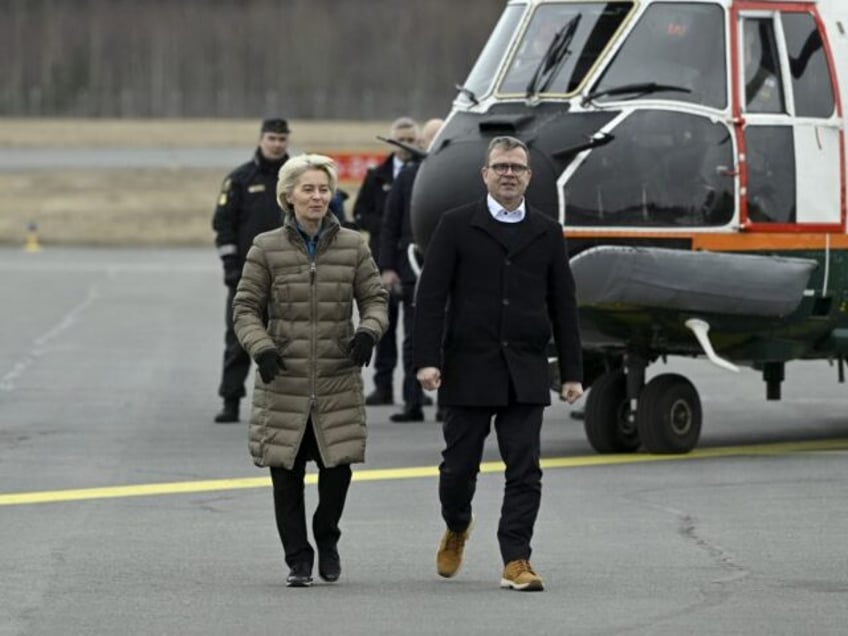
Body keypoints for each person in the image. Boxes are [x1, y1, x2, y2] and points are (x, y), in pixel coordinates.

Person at [414, 136, 584, 592]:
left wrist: (571, 370)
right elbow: (429, 298)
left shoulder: (548, 231)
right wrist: (426, 360)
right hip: (468, 367)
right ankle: (457, 525)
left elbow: (563, 304)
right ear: (485, 174)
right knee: (457, 470)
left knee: (524, 469)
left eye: (517, 168)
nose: (509, 174)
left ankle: (517, 558)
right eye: (500, 167)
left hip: (524, 369)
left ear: (528, 177)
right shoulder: (455, 226)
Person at [232, 154, 388, 587]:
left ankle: (327, 534)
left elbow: (375, 298)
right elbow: (245, 308)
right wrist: (261, 347)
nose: (318, 197)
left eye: (324, 189)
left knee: (337, 470)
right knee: (286, 476)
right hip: (282, 377)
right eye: (308, 189)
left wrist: (369, 332)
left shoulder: (354, 245)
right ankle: (298, 559)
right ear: (288, 196)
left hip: (338, 375)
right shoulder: (266, 247)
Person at [211, 117, 293, 423]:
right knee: (238, 339)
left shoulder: (296, 178)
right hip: (248, 276)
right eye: (272, 138)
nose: (277, 144)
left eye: (282, 139)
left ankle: (282, 405)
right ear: (261, 139)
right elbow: (222, 224)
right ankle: (230, 400)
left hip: (290, 275)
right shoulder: (241, 179)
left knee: (286, 341)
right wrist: (231, 265)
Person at [379, 118, 444, 422]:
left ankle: (447, 403)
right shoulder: (406, 178)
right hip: (410, 268)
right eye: (426, 140)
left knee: (450, 337)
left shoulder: (455, 175)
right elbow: (389, 226)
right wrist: (387, 267)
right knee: (412, 338)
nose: (429, 145)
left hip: (448, 269)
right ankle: (412, 402)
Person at [353, 116, 420, 406]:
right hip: (382, 260)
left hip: (412, 262)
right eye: (400, 139)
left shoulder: (422, 173)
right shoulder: (377, 175)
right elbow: (360, 213)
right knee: (384, 327)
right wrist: (386, 224)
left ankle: (414, 390)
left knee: (415, 331)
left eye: (411, 140)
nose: (405, 145)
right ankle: (383, 386)